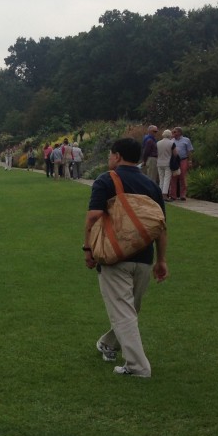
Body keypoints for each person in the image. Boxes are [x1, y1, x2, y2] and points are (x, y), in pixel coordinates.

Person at [83, 138, 168, 377]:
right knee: (129, 310)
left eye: (111, 155)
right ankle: (109, 344)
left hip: (114, 257)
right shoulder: (151, 185)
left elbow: (93, 217)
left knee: (123, 311)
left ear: (117, 156)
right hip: (144, 257)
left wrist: (88, 249)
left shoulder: (106, 179)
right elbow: (161, 227)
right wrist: (161, 260)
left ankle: (137, 367)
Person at [170, 127, 194, 201]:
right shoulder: (171, 140)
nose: (173, 133)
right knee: (173, 177)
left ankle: (183, 195)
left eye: (175, 132)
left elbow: (189, 151)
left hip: (183, 160)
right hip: (174, 161)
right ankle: (173, 195)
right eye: (173, 132)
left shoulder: (186, 140)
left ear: (179, 132)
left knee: (182, 176)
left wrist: (190, 161)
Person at [156, 129, 176, 201]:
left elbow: (156, 152)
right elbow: (175, 153)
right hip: (167, 163)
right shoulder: (172, 143)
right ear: (170, 135)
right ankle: (164, 195)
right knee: (167, 179)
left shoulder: (158, 143)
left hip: (159, 162)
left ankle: (160, 194)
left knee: (161, 179)